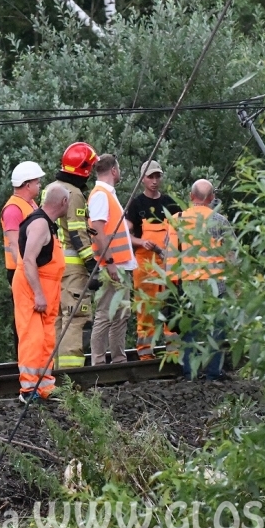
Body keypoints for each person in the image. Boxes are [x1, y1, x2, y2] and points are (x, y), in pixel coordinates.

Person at [165, 179, 236, 381]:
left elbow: (169, 256)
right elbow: (232, 255)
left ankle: (190, 372)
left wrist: (171, 286)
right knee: (217, 330)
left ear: (190, 196)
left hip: (188, 285)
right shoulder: (220, 221)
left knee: (190, 330)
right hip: (216, 285)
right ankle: (214, 372)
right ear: (212, 198)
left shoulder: (177, 220)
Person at [13, 182, 70, 403]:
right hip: (32, 289)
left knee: (47, 338)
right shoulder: (39, 224)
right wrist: (38, 293)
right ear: (63, 202)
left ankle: (46, 386)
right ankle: (28, 389)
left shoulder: (48, 224)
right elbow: (28, 261)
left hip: (48, 290)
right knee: (32, 337)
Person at [125, 160, 182, 359]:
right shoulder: (136, 204)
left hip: (169, 264)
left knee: (172, 308)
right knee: (145, 309)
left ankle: (173, 352)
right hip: (145, 264)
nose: (155, 181)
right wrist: (141, 242)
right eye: (151, 177)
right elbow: (126, 236)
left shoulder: (169, 203)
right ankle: (145, 354)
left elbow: (180, 230)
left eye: (158, 176)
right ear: (143, 179)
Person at [52, 142, 99, 369]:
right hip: (73, 268)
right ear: (85, 169)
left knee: (57, 319)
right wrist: (91, 263)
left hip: (53, 266)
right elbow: (77, 232)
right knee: (76, 317)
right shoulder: (75, 194)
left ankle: (54, 371)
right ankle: (72, 376)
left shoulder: (51, 188)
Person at [88, 154, 137, 365]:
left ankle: (118, 360)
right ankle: (98, 362)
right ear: (114, 170)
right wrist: (110, 263)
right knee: (105, 314)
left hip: (121, 264)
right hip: (112, 265)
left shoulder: (106, 194)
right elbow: (97, 231)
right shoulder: (100, 195)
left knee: (121, 314)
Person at [2, 161, 43, 357]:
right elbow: (13, 244)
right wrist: (26, 271)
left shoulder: (29, 204)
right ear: (28, 185)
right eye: (37, 182)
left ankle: (32, 358)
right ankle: (24, 358)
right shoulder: (13, 209)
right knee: (24, 316)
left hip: (30, 268)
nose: (40, 185)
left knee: (33, 317)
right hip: (20, 270)